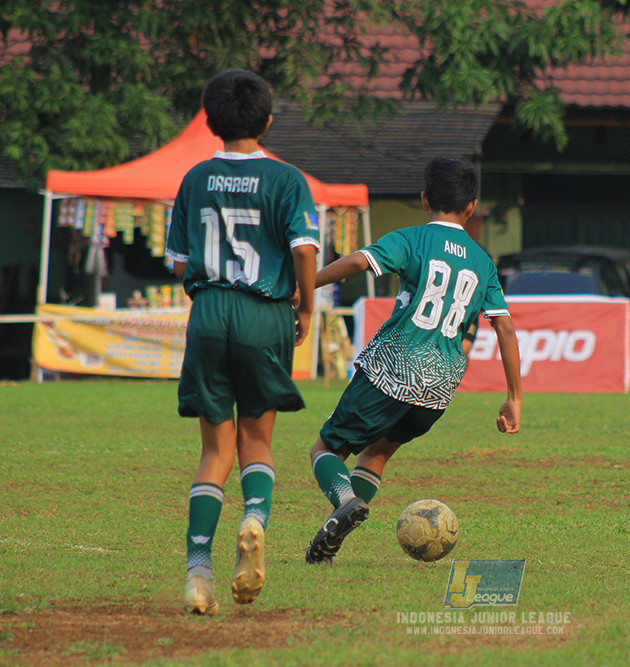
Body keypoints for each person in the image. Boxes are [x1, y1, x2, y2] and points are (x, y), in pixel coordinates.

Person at [305, 158, 523, 565]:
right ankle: (337, 531)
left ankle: (346, 502)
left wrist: (303, 287)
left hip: (395, 368)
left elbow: (357, 262)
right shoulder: (482, 261)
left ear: (424, 199)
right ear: (472, 206)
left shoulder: (411, 239)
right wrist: (514, 398)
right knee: (376, 454)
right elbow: (506, 329)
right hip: (440, 386)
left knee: (325, 450)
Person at [165, 70, 319, 615]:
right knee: (257, 440)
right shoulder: (287, 180)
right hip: (264, 313)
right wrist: (306, 303)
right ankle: (255, 515)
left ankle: (198, 572)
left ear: (209, 120)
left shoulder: (194, 178)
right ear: (269, 121)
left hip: (208, 312)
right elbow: (303, 249)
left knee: (214, 450)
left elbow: (179, 262)